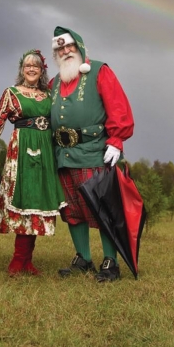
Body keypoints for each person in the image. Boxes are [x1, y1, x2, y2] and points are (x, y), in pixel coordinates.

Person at [0, 50, 64, 276]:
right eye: (27, 65)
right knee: (24, 199)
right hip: (23, 150)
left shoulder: (49, 95)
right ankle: (17, 261)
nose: (32, 68)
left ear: (42, 70)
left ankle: (27, 260)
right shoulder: (12, 93)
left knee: (37, 202)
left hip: (45, 151)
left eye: (36, 65)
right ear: (22, 69)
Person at [49, 26, 134, 283]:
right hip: (63, 155)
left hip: (94, 151)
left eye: (69, 46)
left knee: (101, 208)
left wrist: (116, 140)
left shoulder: (100, 71)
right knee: (72, 209)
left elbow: (118, 105)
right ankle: (83, 258)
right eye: (60, 48)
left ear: (80, 46)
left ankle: (111, 262)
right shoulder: (54, 82)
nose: (65, 51)